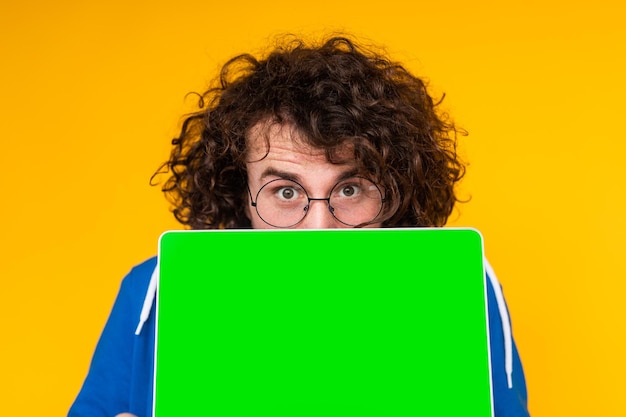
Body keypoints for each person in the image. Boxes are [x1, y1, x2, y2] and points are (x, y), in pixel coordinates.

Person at [68, 35, 530, 417]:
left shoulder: (461, 287)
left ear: (394, 193)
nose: (318, 228)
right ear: (240, 194)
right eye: (286, 193)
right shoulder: (154, 288)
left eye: (350, 190)